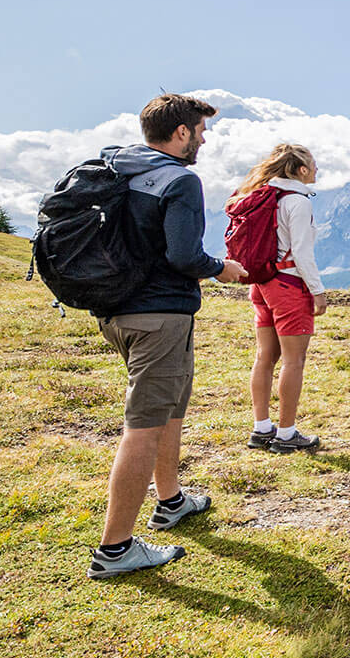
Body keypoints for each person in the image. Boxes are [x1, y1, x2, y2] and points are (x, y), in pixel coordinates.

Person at [88, 94, 248, 580]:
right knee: (144, 424)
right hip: (158, 315)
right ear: (181, 132)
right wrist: (222, 268)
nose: (204, 138)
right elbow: (183, 255)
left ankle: (171, 499)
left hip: (116, 311)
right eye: (201, 130)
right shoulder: (180, 179)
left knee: (170, 407)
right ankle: (114, 549)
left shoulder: (118, 169)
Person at [231, 144, 330, 453]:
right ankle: (286, 435)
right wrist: (318, 290)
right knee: (293, 360)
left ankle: (262, 429)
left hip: (261, 284)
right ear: (300, 170)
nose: (316, 170)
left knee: (265, 357)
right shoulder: (297, 201)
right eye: (313, 164)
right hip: (288, 285)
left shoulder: (264, 196)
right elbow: (301, 251)